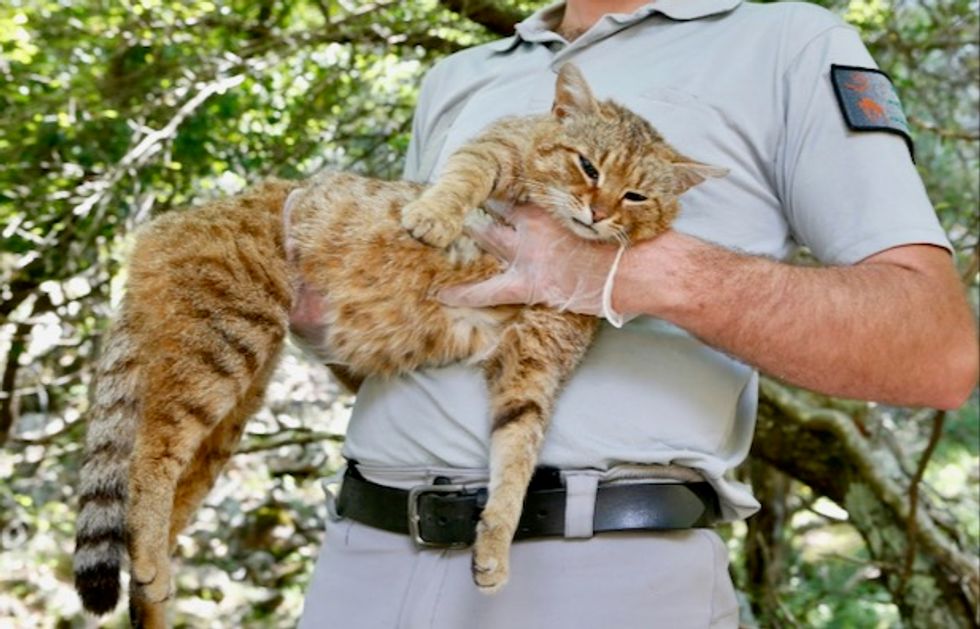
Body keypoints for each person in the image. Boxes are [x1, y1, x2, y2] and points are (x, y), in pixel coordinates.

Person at [293, 1, 979, 627]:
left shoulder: (786, 44)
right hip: (363, 552)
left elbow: (936, 351)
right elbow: (422, 337)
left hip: (600, 571)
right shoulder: (458, 75)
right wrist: (317, 313)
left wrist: (629, 272)